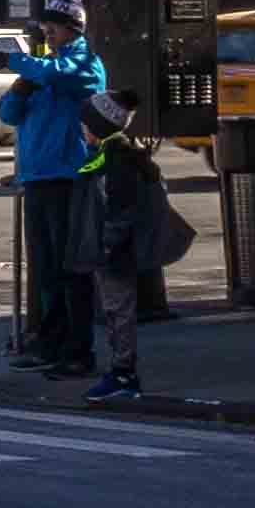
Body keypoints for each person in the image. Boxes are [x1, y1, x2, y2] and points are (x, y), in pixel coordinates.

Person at [0, 0, 109, 370]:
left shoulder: (84, 63)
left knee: (71, 267)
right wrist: (19, 90)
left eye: (53, 26)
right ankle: (50, 342)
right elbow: (9, 114)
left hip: (69, 177)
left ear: (73, 28)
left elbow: (59, 75)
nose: (47, 33)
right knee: (45, 269)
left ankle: (78, 350)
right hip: (38, 178)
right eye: (44, 27)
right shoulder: (43, 69)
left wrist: (16, 62)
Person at [74, 104, 159, 400]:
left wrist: (108, 243)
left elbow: (120, 209)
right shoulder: (111, 154)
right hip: (112, 247)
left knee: (118, 311)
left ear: (98, 127)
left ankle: (124, 373)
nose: (83, 129)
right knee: (115, 310)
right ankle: (121, 370)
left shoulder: (116, 159)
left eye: (86, 124)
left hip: (115, 250)